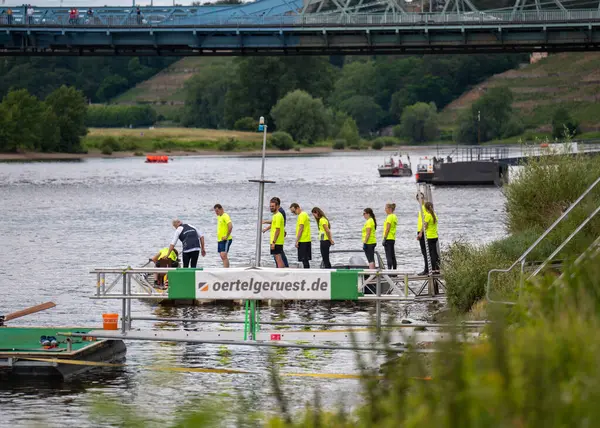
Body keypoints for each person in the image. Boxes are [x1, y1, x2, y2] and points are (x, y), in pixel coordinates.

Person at [262, 196, 289, 267]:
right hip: (276, 240)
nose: (271, 207)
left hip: (277, 241)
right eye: (270, 206)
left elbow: (278, 229)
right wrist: (265, 227)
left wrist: (273, 242)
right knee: (278, 258)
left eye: (273, 206)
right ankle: (282, 271)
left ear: (277, 206)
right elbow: (274, 224)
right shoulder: (275, 215)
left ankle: (281, 274)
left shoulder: (278, 215)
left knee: (278, 258)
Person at [290, 203, 311, 269]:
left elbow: (301, 228)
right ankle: (307, 271)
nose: (294, 213)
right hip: (307, 239)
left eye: (294, 211)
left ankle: (307, 273)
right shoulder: (305, 214)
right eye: (292, 212)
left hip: (303, 240)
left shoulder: (301, 215)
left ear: (298, 208)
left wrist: (297, 241)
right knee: (306, 260)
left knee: (304, 259)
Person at [423, 202, 440, 273]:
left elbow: (426, 226)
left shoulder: (428, 216)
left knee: (431, 253)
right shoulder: (435, 215)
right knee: (435, 252)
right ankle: (437, 268)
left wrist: (424, 224)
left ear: (426, 208)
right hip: (435, 236)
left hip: (429, 236)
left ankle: (433, 268)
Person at [214, 204, 233, 268]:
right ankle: (225, 268)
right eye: (215, 211)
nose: (216, 213)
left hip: (226, 239)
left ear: (221, 209)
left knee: (223, 255)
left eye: (217, 211)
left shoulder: (225, 216)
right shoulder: (219, 216)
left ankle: (226, 270)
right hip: (220, 239)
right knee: (222, 256)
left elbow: (230, 226)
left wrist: (226, 236)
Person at [416, 193, 429, 275]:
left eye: (421, 198)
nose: (420, 200)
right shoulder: (421, 208)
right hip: (420, 231)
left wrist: (421, 232)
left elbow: (425, 222)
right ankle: (426, 268)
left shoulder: (424, 208)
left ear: (424, 198)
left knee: (425, 251)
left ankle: (427, 269)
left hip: (423, 232)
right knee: (424, 251)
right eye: (418, 198)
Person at [382, 203, 398, 270]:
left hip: (388, 238)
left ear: (389, 209)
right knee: (392, 255)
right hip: (392, 238)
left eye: (385, 208)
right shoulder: (394, 216)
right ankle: (394, 270)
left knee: (388, 255)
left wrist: (384, 238)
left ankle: (389, 270)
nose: (385, 210)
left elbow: (387, 228)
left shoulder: (389, 217)